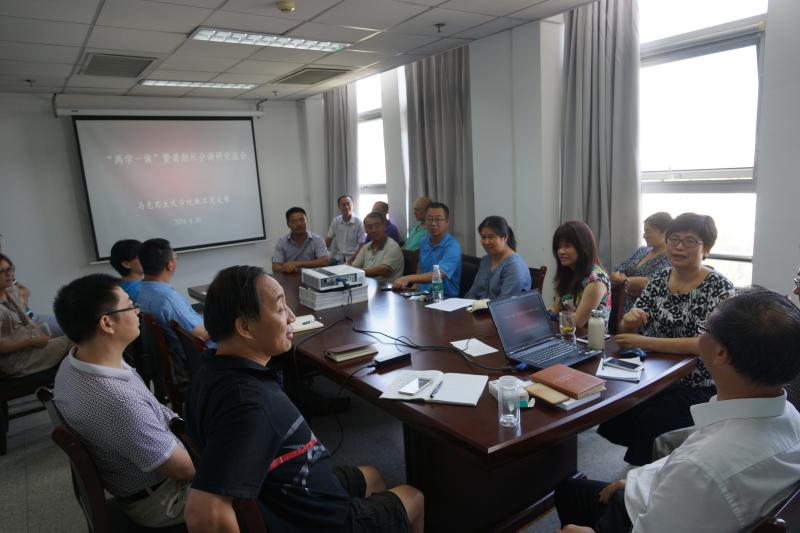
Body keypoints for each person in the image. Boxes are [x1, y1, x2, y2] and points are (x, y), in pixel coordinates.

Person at [184, 266, 424, 533]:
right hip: (314, 519)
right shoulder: (250, 406)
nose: (291, 316)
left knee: (372, 476)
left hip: (290, 494)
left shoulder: (212, 370)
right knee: (414, 497)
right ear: (245, 327)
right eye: (279, 309)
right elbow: (204, 514)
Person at [554, 288, 800, 533]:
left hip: (645, 519)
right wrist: (642, 479)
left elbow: (694, 475)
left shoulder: (702, 468)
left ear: (720, 353)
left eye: (704, 328)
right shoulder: (790, 416)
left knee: (569, 493)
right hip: (677, 501)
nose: (700, 333)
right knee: (571, 490)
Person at [53, 274, 194, 528]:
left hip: (145, 481)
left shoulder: (74, 362)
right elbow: (183, 470)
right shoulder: (117, 401)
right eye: (130, 305)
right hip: (163, 498)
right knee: (258, 473)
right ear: (107, 323)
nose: (138, 311)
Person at [599, 213, 735, 465]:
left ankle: (648, 475)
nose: (679, 247)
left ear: (706, 249)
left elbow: (704, 344)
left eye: (690, 241)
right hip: (655, 374)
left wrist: (644, 342)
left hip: (698, 382)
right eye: (674, 239)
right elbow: (626, 331)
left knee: (654, 423)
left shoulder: (720, 287)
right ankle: (650, 463)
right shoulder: (659, 280)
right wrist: (629, 321)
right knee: (613, 405)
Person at [136, 238, 211, 380]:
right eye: (175, 257)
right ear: (170, 265)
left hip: (177, 356)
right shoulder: (167, 299)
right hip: (197, 358)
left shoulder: (142, 291)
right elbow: (199, 335)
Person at [0, 253, 71, 377]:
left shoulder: (12, 290)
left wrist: (42, 337)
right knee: (79, 341)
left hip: (33, 346)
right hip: (18, 360)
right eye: (2, 271)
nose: (9, 274)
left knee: (77, 337)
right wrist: (31, 342)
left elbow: (28, 318)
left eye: (10, 269)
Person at [548, 221, 610, 328]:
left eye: (567, 246)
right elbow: (555, 308)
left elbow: (577, 323)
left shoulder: (596, 280)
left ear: (583, 247)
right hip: (566, 333)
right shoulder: (569, 272)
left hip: (588, 337)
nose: (561, 251)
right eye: (559, 247)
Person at [392, 202, 461, 298]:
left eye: (438, 219)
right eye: (430, 219)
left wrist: (407, 278)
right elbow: (421, 267)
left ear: (446, 223)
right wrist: (415, 287)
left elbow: (439, 275)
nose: (433, 223)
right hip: (423, 294)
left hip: (444, 297)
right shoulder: (424, 241)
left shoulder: (453, 247)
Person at [610, 212, 672, 312]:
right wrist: (630, 283)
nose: (644, 236)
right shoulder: (642, 250)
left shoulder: (671, 257)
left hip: (648, 311)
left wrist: (624, 281)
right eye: (644, 232)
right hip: (625, 307)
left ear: (665, 232)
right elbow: (617, 271)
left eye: (648, 232)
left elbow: (652, 282)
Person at [464, 216, 531, 300]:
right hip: (478, 307)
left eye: (491, 237)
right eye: (483, 237)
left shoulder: (514, 266)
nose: (486, 242)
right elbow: (473, 292)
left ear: (505, 237)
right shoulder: (486, 260)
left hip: (501, 308)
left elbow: (504, 303)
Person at [272, 207, 330, 274]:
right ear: (288, 224)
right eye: (294, 221)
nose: (299, 224)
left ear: (307, 221)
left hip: (312, 275)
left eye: (302, 220)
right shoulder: (282, 242)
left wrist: (297, 264)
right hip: (290, 276)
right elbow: (275, 267)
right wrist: (286, 268)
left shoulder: (317, 239)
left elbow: (325, 261)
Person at [351, 211, 404, 282]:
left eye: (377, 226)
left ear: (384, 226)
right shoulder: (366, 247)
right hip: (368, 284)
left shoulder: (393, 247)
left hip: (387, 287)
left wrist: (357, 272)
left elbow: (381, 271)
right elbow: (354, 267)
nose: (374, 230)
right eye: (370, 227)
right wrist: (352, 271)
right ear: (365, 229)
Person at [325, 195, 365, 264]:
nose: (346, 207)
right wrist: (321, 254)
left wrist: (351, 261)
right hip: (338, 258)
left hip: (354, 259)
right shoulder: (336, 221)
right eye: (343, 205)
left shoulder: (359, 222)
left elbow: (361, 246)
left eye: (348, 204)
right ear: (339, 206)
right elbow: (328, 240)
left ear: (353, 205)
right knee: (323, 266)